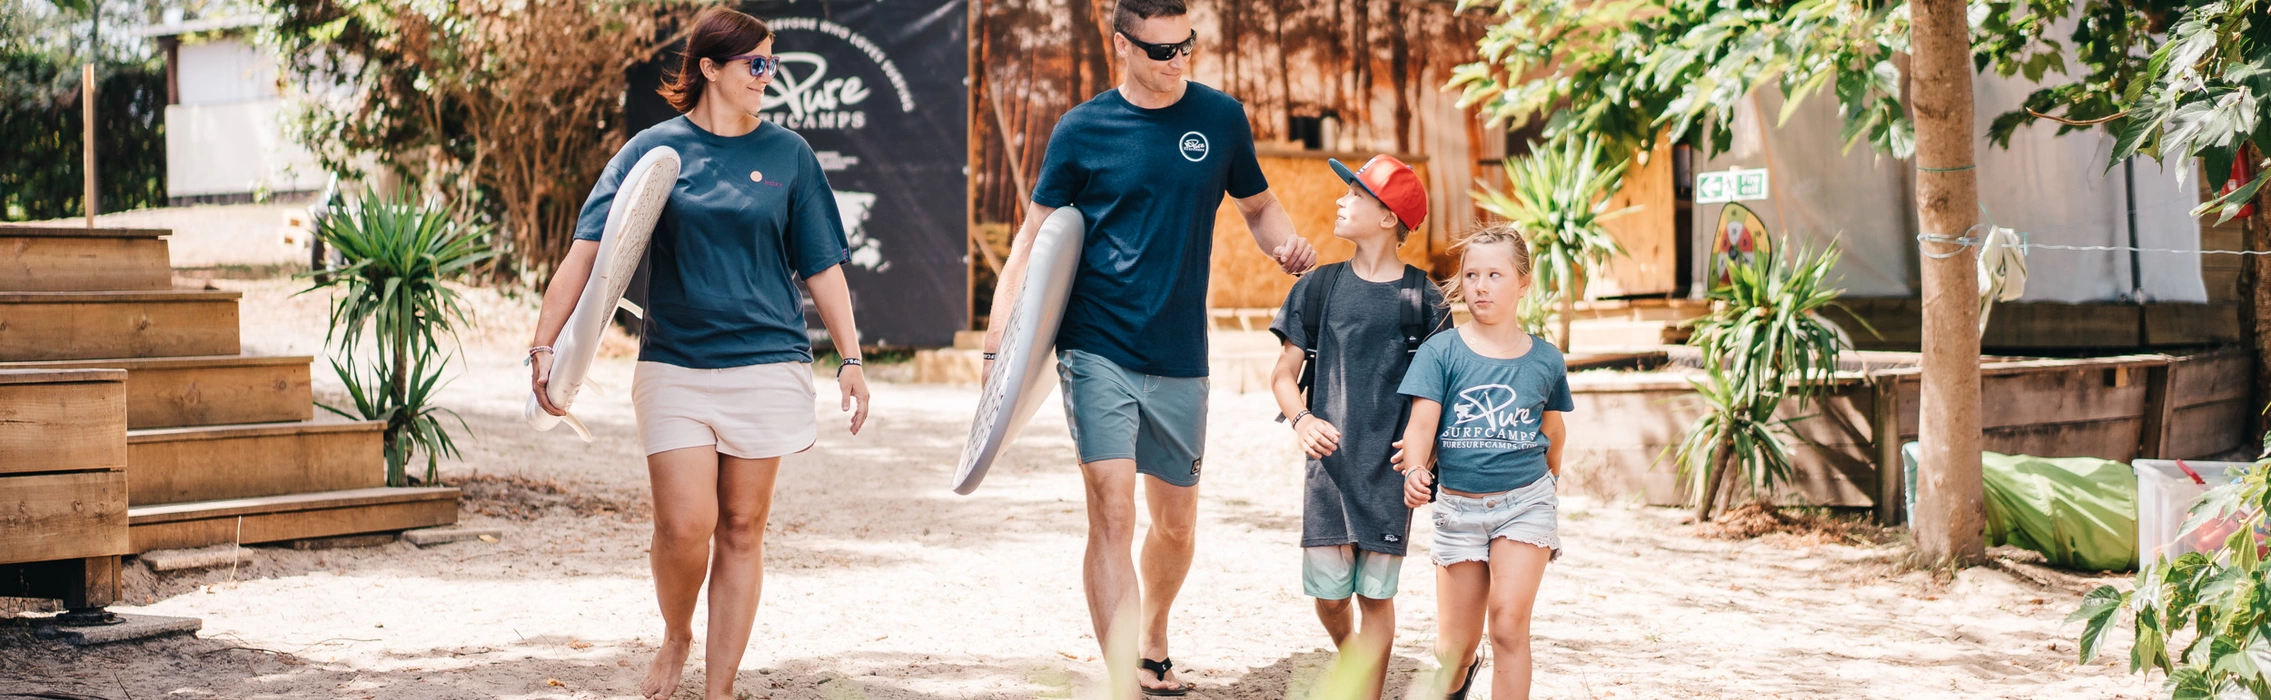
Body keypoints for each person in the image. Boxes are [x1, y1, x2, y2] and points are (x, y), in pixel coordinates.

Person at [526, 8, 870, 700]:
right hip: (674, 363)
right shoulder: (653, 154)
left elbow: (823, 267)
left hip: (769, 362)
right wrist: (544, 344)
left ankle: (718, 689)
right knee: (685, 526)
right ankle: (677, 633)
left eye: (772, 65)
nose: (768, 78)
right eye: (757, 65)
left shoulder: (789, 156)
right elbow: (587, 256)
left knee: (742, 527)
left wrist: (853, 360)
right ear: (710, 68)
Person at [981, 0, 1317, 695]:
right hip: (1095, 343)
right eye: (1161, 51)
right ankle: (1122, 680)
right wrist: (996, 349)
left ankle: (1154, 631)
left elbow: (1257, 206)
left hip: (1179, 353)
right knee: (1111, 509)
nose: (1177, 61)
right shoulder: (1082, 130)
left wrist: (1281, 244)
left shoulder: (1219, 119)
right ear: (1123, 46)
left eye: (1185, 46)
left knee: (1175, 524)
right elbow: (1032, 240)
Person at [1267, 155, 1444, 699]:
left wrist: (1423, 461)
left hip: (1389, 471)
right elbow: (1282, 374)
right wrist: (1301, 419)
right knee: (1329, 597)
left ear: (1389, 217)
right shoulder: (1317, 288)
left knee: (1376, 599)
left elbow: (1438, 396)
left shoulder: (1424, 300)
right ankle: (1352, 655)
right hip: (1330, 473)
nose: (1340, 202)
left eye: (1356, 195)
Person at [1393, 225, 1572, 700]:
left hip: (1525, 504)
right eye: (1471, 274)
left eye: (1495, 274)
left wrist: (1546, 485)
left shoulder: (1546, 360)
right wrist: (1415, 469)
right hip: (1458, 510)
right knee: (1453, 648)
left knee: (1510, 627)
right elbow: (1420, 427)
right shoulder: (1441, 352)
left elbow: (1554, 433)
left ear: (1522, 284)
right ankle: (1460, 675)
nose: (1481, 285)